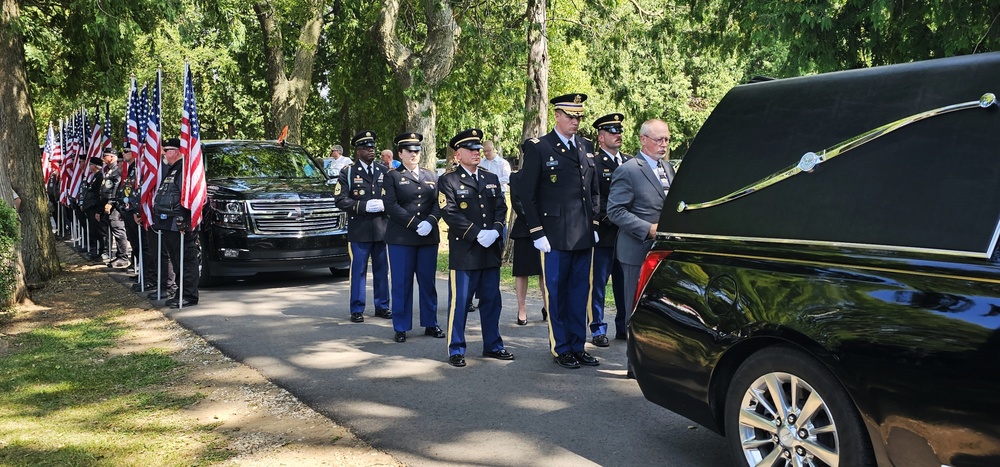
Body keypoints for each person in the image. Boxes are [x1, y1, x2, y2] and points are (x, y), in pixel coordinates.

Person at [515, 93, 601, 369]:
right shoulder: (540, 148)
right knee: (557, 293)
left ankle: (578, 345)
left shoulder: (586, 147)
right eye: (571, 116)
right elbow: (526, 195)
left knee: (579, 293)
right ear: (558, 116)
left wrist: (595, 223)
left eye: (579, 116)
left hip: (582, 235)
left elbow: (594, 191)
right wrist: (537, 231)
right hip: (553, 236)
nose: (576, 121)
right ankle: (561, 346)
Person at [438, 128, 512, 367]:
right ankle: (456, 348)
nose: (476, 153)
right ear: (458, 154)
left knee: (492, 300)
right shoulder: (448, 180)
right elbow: (449, 212)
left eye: (478, 149)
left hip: (489, 249)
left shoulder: (490, 178)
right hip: (465, 251)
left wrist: (496, 229)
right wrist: (476, 233)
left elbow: (501, 207)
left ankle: (493, 345)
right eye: (470, 149)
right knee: (460, 302)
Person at [607, 119, 675, 377]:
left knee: (660, 308)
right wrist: (648, 228)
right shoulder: (629, 170)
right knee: (636, 308)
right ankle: (634, 364)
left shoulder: (668, 168)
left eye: (667, 139)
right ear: (643, 139)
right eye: (658, 140)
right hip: (636, 250)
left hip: (663, 251)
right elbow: (615, 211)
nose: (664, 144)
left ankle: (656, 361)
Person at [382, 132, 445, 342]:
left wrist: (431, 222)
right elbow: (390, 206)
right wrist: (416, 224)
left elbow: (439, 203)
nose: (414, 154)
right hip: (402, 238)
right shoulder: (392, 176)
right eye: (409, 151)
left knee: (428, 282)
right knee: (401, 283)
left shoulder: (431, 176)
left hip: (427, 238)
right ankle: (401, 326)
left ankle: (430, 323)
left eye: (417, 151)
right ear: (400, 153)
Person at [334, 131, 391, 322]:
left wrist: (386, 204)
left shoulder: (383, 171)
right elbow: (340, 200)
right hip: (359, 230)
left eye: (373, 147)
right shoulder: (348, 173)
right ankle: (357, 308)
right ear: (358, 151)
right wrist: (363, 206)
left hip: (381, 228)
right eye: (367, 148)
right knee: (358, 270)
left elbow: (392, 195)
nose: (371, 151)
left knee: (382, 269)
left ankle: (382, 306)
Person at [590, 113, 631, 345]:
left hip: (626, 234)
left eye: (619, 132)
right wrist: (614, 215)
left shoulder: (630, 162)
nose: (618, 136)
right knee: (598, 283)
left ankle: (624, 325)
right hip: (604, 231)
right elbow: (594, 197)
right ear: (601, 137)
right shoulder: (594, 164)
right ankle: (597, 328)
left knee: (624, 282)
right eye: (613, 132)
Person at [151, 137, 200, 308]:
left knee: (185, 260)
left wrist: (183, 221)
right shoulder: (172, 170)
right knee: (177, 260)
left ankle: (189, 295)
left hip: (179, 224)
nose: (163, 153)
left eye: (167, 150)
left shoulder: (184, 171)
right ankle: (182, 292)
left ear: (177, 152)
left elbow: (188, 199)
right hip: (168, 224)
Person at [508, 171, 547, 325]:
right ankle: (522, 308)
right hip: (525, 229)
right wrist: (535, 223)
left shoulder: (547, 172)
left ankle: (547, 306)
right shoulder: (517, 176)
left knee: (545, 271)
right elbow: (517, 202)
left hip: (548, 228)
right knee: (522, 271)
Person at [100, 148, 129, 268]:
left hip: (115, 205)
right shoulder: (110, 170)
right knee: (113, 229)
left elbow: (116, 188)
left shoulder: (116, 170)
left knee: (118, 230)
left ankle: (123, 257)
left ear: (111, 157)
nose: (103, 158)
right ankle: (119, 255)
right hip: (109, 204)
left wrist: (111, 202)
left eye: (105, 156)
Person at [80, 156, 106, 261]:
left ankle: (103, 251)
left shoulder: (100, 176)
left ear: (95, 166)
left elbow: (98, 194)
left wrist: (98, 209)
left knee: (99, 231)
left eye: (90, 164)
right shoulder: (94, 176)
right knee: (93, 230)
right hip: (91, 208)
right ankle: (97, 250)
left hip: (96, 207)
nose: (89, 166)